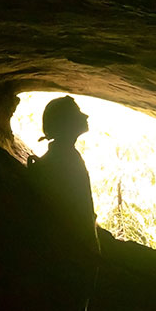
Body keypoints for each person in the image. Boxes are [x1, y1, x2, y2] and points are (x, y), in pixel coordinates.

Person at [27, 96, 100, 258]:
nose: (85, 116)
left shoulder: (61, 156)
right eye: (77, 112)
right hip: (72, 256)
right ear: (65, 122)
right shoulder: (63, 159)